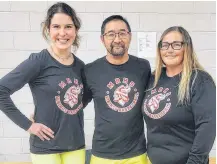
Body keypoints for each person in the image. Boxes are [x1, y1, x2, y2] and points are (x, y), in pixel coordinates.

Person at [0, 2, 87, 164]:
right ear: (48, 29)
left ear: (76, 30)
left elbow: (82, 99)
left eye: (68, 26)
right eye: (56, 27)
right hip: (45, 147)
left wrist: (54, 109)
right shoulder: (39, 61)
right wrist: (28, 125)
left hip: (76, 145)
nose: (62, 33)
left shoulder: (80, 66)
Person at [82, 15, 151, 164]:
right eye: (111, 34)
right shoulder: (90, 70)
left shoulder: (143, 67)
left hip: (137, 153)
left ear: (130, 36)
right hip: (102, 154)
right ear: (102, 39)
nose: (117, 39)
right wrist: (43, 114)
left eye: (122, 33)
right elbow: (77, 105)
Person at [142, 26, 216, 164]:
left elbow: (207, 129)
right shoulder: (154, 78)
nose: (169, 50)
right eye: (164, 45)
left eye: (176, 45)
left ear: (186, 48)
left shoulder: (199, 80)